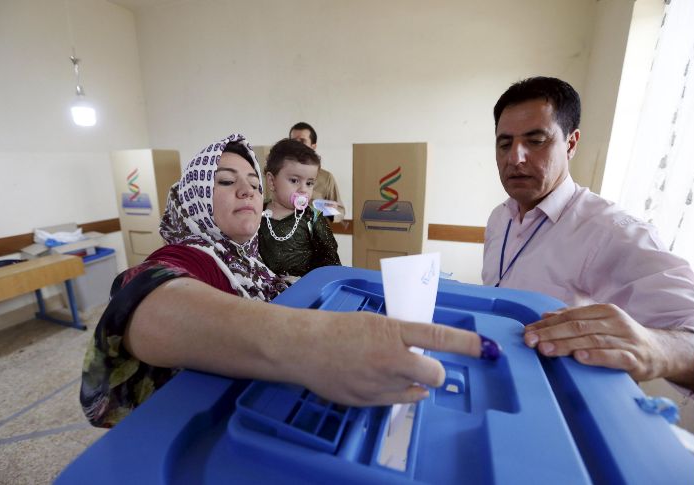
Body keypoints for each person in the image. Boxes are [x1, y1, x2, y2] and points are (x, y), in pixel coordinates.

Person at [80, 133, 501, 428]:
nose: (246, 191)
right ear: (193, 197)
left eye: (250, 183)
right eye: (225, 182)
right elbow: (144, 299)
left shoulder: (247, 260)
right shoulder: (193, 253)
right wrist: (312, 341)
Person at [482, 76, 694, 394]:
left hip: (567, 408)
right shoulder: (500, 217)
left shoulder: (612, 231)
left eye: (536, 140)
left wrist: (655, 348)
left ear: (570, 144)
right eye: (505, 143)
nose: (515, 158)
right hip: (499, 381)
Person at [258, 138, 341, 283]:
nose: (303, 189)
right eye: (294, 180)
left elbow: (331, 262)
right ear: (271, 181)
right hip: (262, 295)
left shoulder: (312, 218)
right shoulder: (257, 213)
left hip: (302, 293)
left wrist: (305, 281)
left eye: (309, 183)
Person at [289, 122, 346, 221]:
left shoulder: (326, 177)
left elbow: (340, 212)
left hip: (313, 234)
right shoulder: (279, 174)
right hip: (283, 233)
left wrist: (325, 211)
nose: (297, 145)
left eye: (302, 141)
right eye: (293, 141)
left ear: (313, 146)